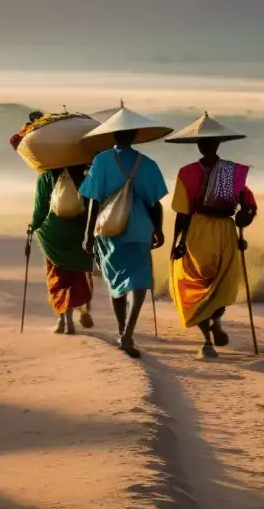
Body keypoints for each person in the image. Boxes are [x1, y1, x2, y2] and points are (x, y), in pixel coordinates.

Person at [80, 106, 172, 358]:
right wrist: (159, 230)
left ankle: (122, 329)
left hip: (109, 228)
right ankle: (128, 332)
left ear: (112, 136)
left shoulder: (101, 161)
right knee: (139, 281)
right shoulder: (148, 164)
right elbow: (155, 203)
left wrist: (88, 234)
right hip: (140, 229)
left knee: (116, 282)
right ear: (134, 136)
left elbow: (93, 200)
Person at [165, 113, 257, 359]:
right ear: (218, 145)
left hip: (198, 231)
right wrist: (242, 221)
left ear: (198, 145)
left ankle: (207, 340)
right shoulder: (232, 172)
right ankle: (215, 322)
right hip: (226, 232)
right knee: (221, 282)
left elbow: (182, 214)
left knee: (197, 284)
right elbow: (249, 207)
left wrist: (178, 242)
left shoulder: (186, 173)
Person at [30, 164, 95, 334]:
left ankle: (63, 320)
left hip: (53, 235)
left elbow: (40, 211)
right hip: (79, 233)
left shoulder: (45, 177)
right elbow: (92, 206)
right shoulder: (86, 174)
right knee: (78, 276)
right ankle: (82, 312)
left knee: (57, 277)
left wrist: (33, 228)